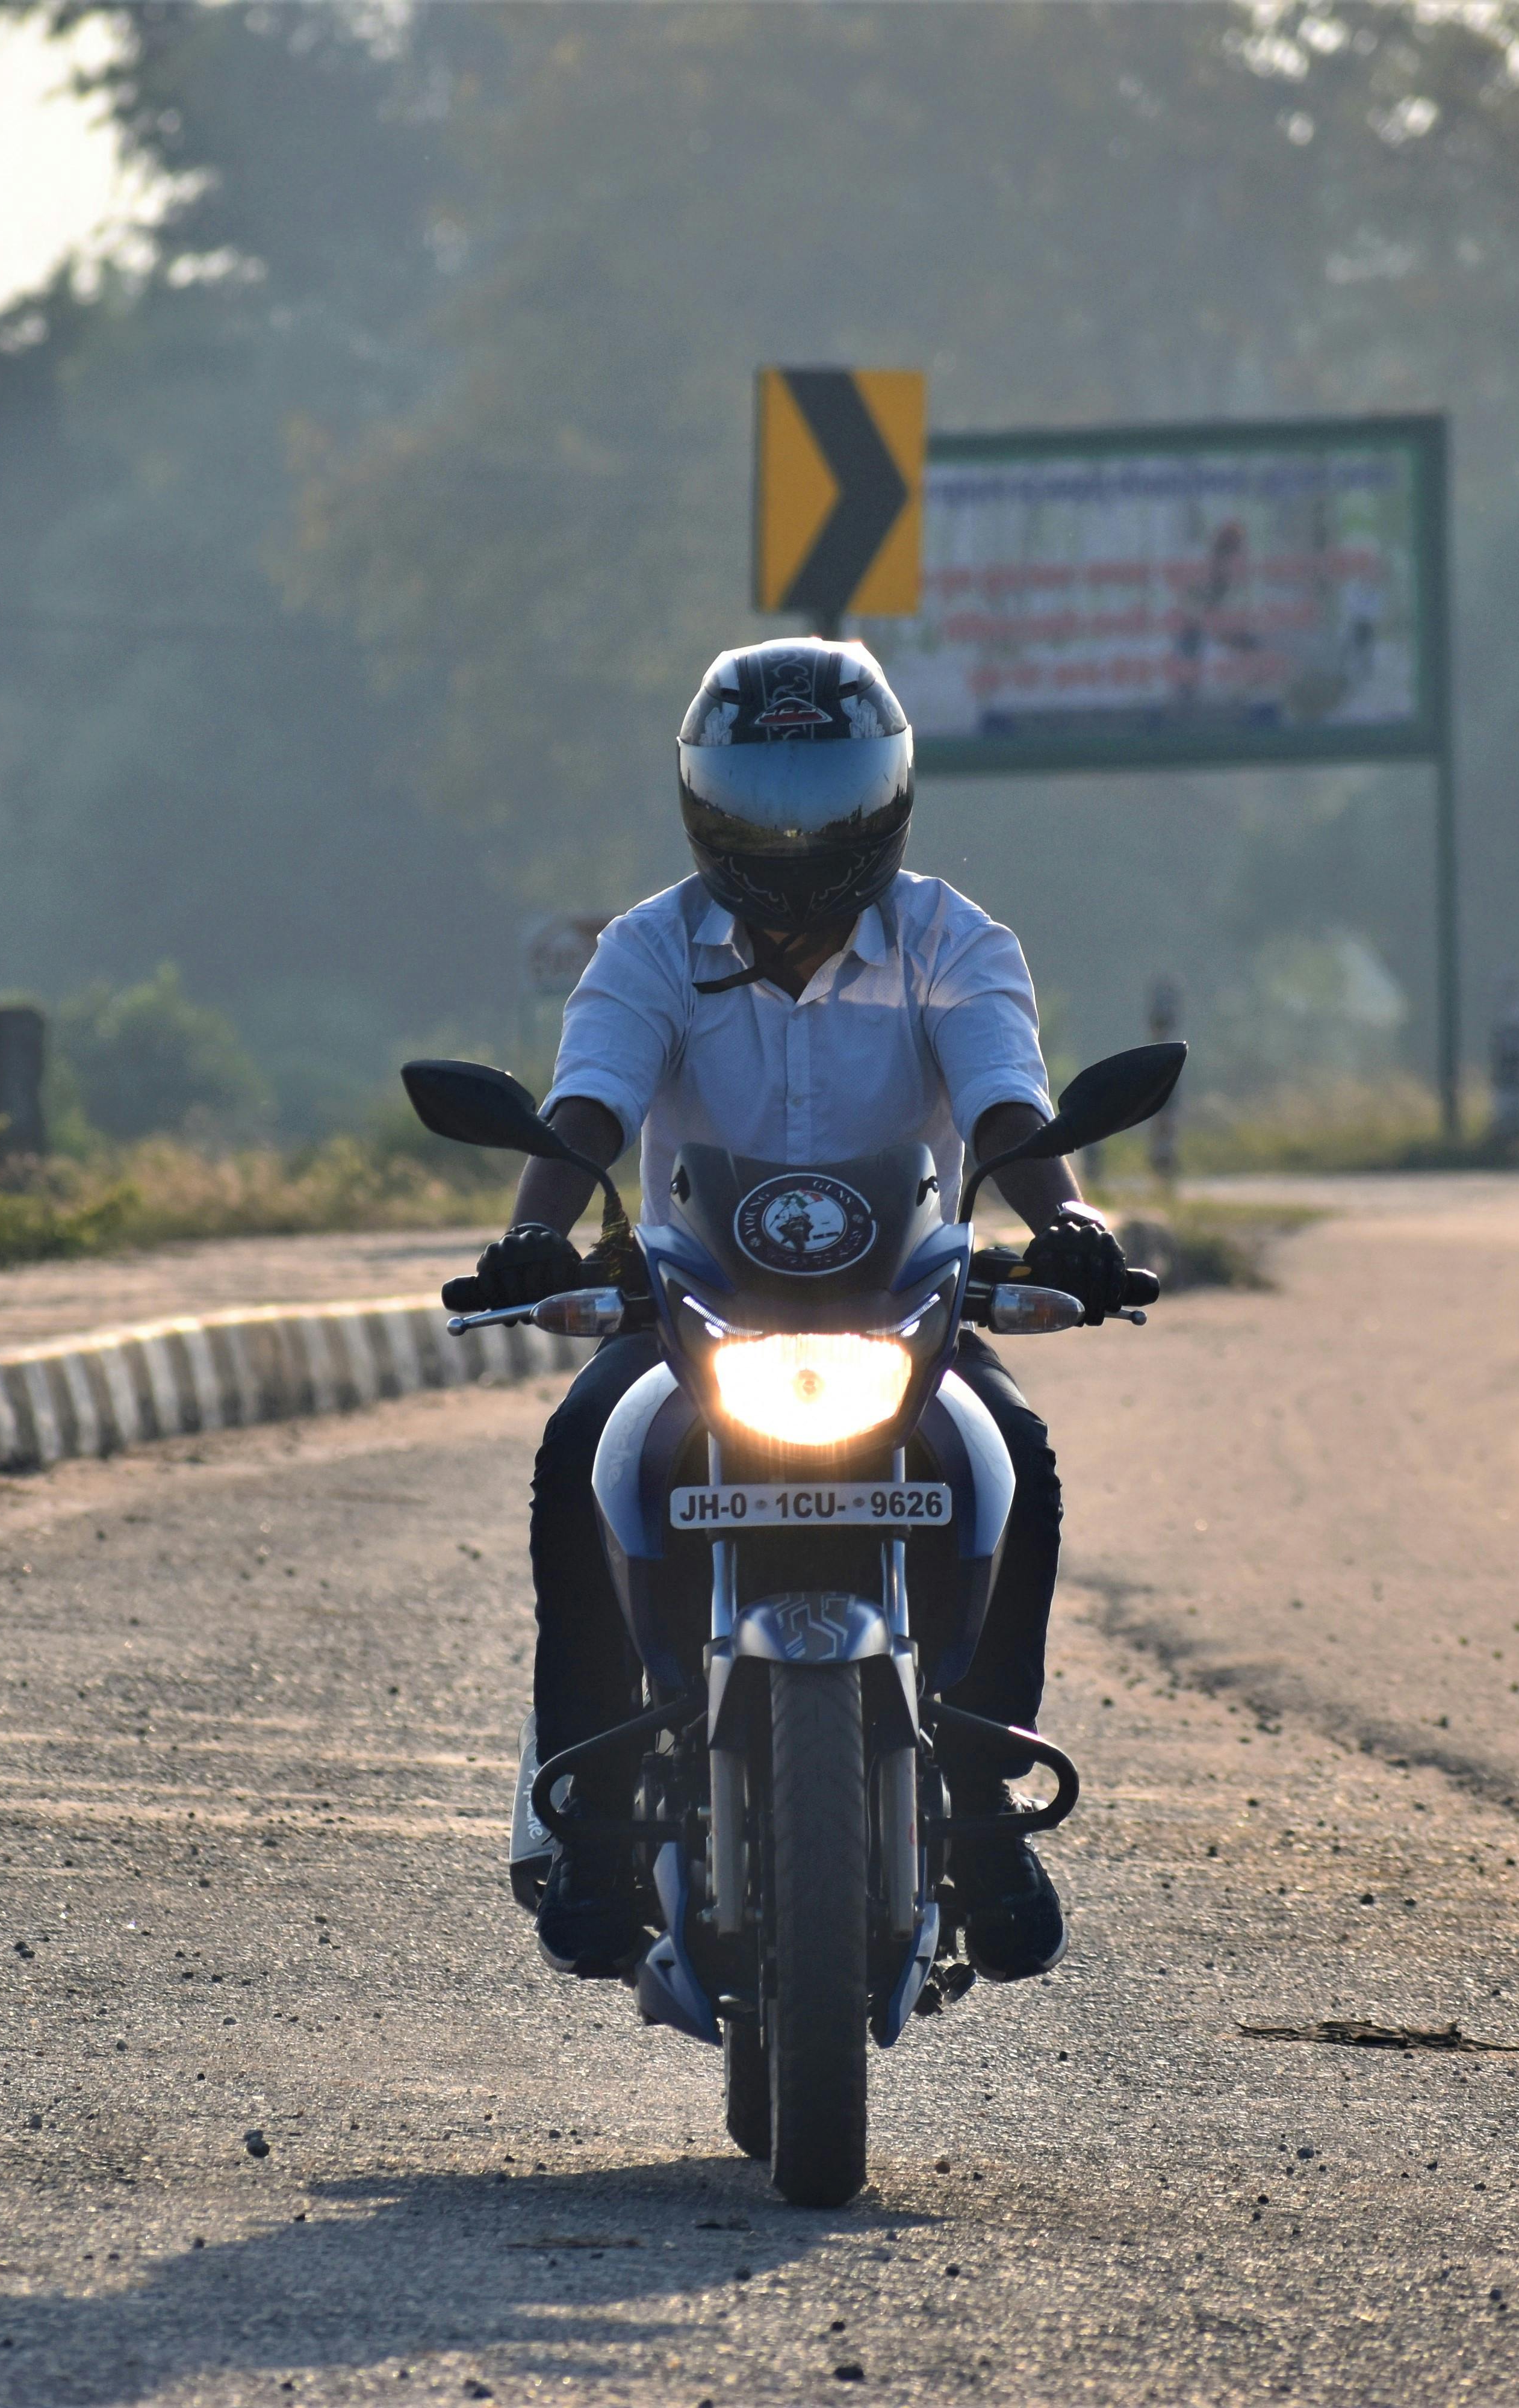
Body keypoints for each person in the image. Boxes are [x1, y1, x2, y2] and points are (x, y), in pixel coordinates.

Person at [452, 635, 1128, 1987]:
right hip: (687, 1312)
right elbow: (589, 1098)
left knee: (1021, 1459)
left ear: (888, 788)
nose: (798, 823)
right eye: (768, 789)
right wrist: (537, 1228)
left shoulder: (953, 939)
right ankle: (588, 1825)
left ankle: (984, 1789)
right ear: (706, 796)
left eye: (827, 785)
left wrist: (1067, 1216)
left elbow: (1005, 1102)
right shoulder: (645, 947)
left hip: (903, 1316)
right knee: (580, 1450)